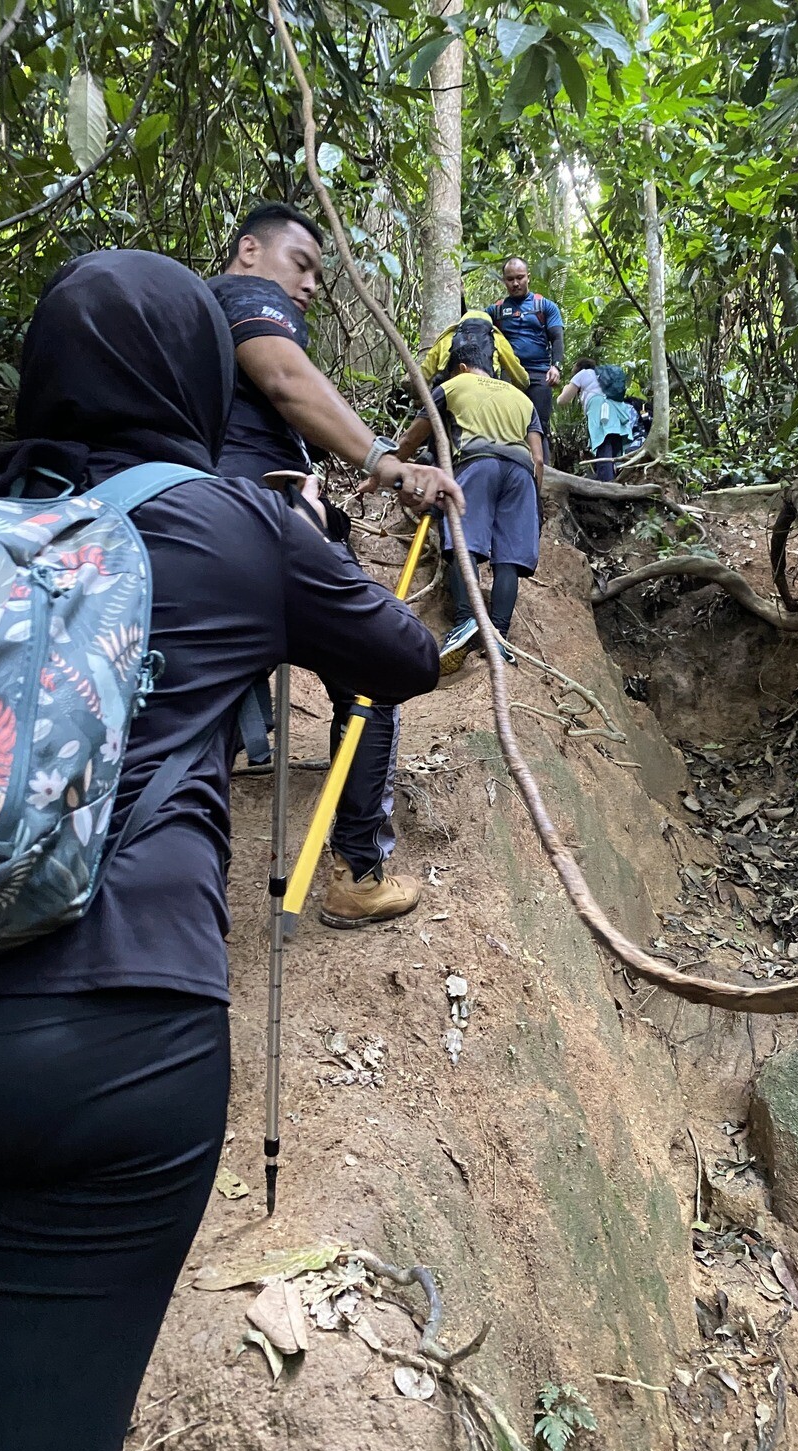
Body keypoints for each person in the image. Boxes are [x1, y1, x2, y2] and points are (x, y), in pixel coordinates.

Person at [0, 249, 440, 1451]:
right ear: (195, 377)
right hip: (126, 1043)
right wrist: (295, 545)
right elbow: (400, 654)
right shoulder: (230, 521)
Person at [207, 202, 462, 927]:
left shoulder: (191, 325)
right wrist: (390, 462)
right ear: (249, 250)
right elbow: (286, 379)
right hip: (269, 526)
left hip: (199, 527)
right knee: (375, 672)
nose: (313, 284)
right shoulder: (243, 296)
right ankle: (357, 871)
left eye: (321, 273)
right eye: (302, 264)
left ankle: (181, 899)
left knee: (207, 708)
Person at [395, 331, 544, 673]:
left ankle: (465, 623)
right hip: (521, 473)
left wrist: (386, 471)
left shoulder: (452, 386)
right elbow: (538, 458)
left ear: (461, 367)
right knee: (508, 559)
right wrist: (534, 504)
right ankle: (500, 638)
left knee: (467, 545)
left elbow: (411, 438)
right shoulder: (522, 398)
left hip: (477, 464)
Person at [486, 257, 564, 460]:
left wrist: (556, 367)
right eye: (510, 279)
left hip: (539, 374)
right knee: (507, 425)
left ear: (528, 277)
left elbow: (557, 338)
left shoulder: (545, 306)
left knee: (539, 426)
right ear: (504, 281)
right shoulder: (497, 310)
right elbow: (474, 325)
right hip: (509, 374)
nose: (515, 283)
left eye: (520, 278)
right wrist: (460, 299)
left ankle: (544, 474)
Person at [556, 357, 634, 483]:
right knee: (613, 449)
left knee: (603, 446)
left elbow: (562, 400)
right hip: (617, 410)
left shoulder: (582, 374)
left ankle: (607, 486)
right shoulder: (602, 376)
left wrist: (566, 388)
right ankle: (614, 480)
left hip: (600, 411)